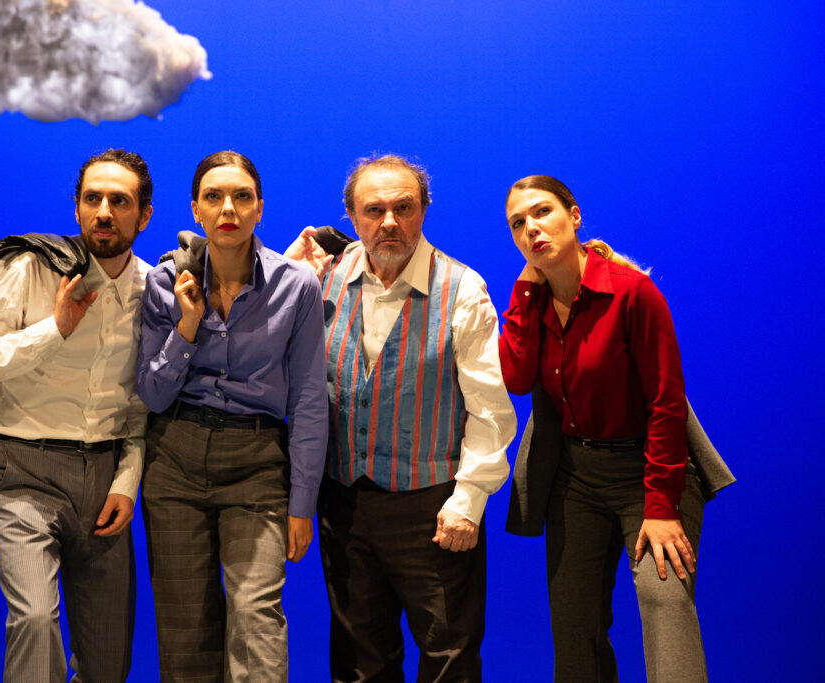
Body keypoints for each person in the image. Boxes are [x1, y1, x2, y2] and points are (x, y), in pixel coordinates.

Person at [292, 154, 517, 681]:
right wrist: (290, 265)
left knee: (449, 660)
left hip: (433, 508)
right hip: (344, 503)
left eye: (404, 208)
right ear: (352, 216)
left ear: (424, 211)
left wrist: (468, 501)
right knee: (358, 663)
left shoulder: (462, 289)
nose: (389, 222)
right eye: (374, 210)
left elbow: (489, 409)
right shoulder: (320, 277)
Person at [0, 149, 153, 683]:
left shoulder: (153, 289)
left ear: (144, 215)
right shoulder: (28, 267)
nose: (103, 212)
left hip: (105, 479)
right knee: (37, 622)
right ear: (77, 208)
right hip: (24, 471)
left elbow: (141, 406)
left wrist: (126, 482)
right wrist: (54, 330)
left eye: (119, 201)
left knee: (109, 663)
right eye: (92, 199)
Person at [498, 175, 713, 682]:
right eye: (518, 224)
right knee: (575, 629)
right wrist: (524, 289)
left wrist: (661, 508)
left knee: (665, 604)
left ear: (574, 216)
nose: (531, 228)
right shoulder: (533, 301)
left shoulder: (632, 292)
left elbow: (666, 404)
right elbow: (517, 378)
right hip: (575, 479)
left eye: (542, 212)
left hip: (648, 471)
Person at [136, 151, 328, 681]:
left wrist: (302, 503)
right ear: (195, 209)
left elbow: (309, 399)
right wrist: (188, 325)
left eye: (242, 197)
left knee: (255, 618)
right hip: (174, 459)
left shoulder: (297, 285)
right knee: (186, 631)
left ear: (259, 209)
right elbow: (152, 395)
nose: (228, 208)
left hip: (257, 463)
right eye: (214, 197)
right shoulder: (165, 281)